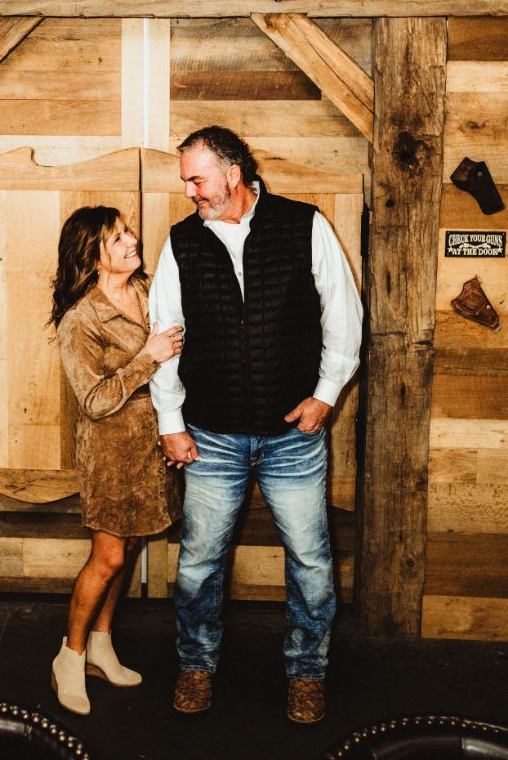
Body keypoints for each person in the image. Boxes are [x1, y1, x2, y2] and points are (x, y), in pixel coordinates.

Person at [149, 126, 363, 724]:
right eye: (186, 181)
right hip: (210, 436)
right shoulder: (181, 243)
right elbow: (164, 337)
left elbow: (344, 318)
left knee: (311, 561)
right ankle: (196, 664)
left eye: (197, 179)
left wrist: (325, 396)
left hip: (294, 436)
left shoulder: (305, 224)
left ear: (233, 173)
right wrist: (170, 421)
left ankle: (307, 672)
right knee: (198, 563)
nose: (189, 191)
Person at [50, 205, 183, 716]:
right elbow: (93, 400)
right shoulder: (81, 318)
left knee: (126, 550)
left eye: (128, 232)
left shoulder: (146, 290)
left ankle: (101, 645)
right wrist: (148, 357)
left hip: (150, 445)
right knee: (107, 557)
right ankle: (70, 656)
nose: (132, 241)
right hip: (110, 453)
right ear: (93, 255)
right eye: (118, 238)